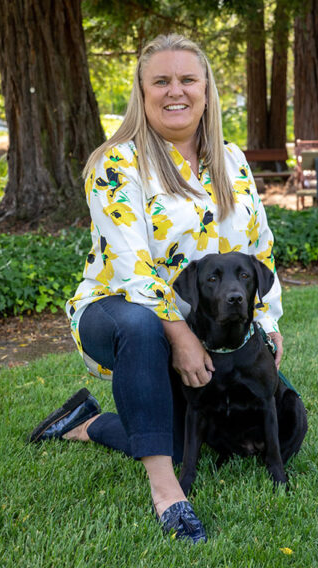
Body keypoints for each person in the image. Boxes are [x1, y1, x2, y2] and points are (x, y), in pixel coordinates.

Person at [29, 33, 283, 543]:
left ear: (206, 90)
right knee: (143, 326)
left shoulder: (231, 161)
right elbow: (132, 268)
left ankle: (85, 423)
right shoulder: (117, 163)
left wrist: (268, 321)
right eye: (160, 81)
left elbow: (258, 250)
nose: (176, 91)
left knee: (222, 428)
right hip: (117, 311)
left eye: (188, 79)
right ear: (141, 93)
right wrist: (182, 337)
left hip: (206, 323)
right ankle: (169, 495)